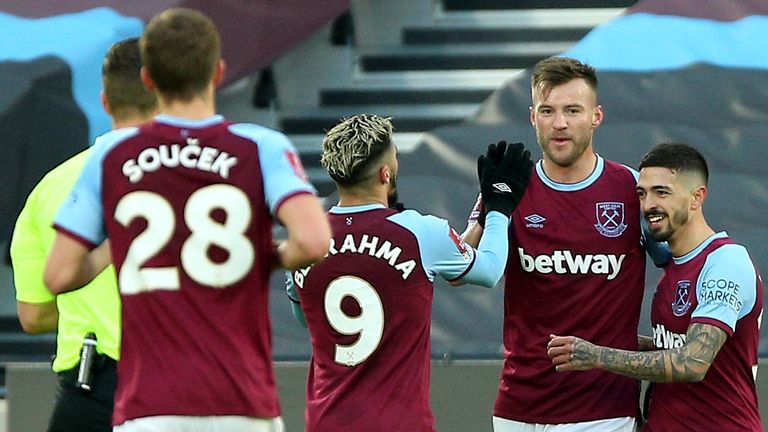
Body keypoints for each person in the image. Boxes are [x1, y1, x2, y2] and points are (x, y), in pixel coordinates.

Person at [44, 8, 331, 432]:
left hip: (149, 403)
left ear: (148, 80)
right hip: (241, 398)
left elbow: (59, 274)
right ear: (218, 73)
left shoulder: (111, 155)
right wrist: (266, 255)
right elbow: (313, 242)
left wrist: (121, 246)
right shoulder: (262, 147)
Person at [286, 114, 533, 432]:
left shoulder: (304, 239)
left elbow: (307, 318)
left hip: (327, 422)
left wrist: (480, 218)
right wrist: (500, 207)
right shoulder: (418, 231)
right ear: (385, 173)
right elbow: (488, 270)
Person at [463, 56, 670, 431]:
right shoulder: (511, 185)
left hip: (604, 411)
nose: (560, 123)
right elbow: (463, 270)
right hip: (518, 408)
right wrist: (488, 210)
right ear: (532, 117)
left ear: (596, 116)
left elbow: (679, 264)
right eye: (548, 110)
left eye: (573, 110)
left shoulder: (630, 188)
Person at [547, 143, 763, 431]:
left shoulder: (726, 262)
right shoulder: (674, 267)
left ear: (697, 197)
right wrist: (607, 336)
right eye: (642, 193)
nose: (649, 205)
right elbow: (672, 345)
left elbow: (693, 362)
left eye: (662, 192)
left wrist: (596, 355)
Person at [11, 37, 157, 432]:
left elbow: (34, 314)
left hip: (94, 393)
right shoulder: (209, 177)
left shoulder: (49, 189)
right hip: (188, 385)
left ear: (105, 102)